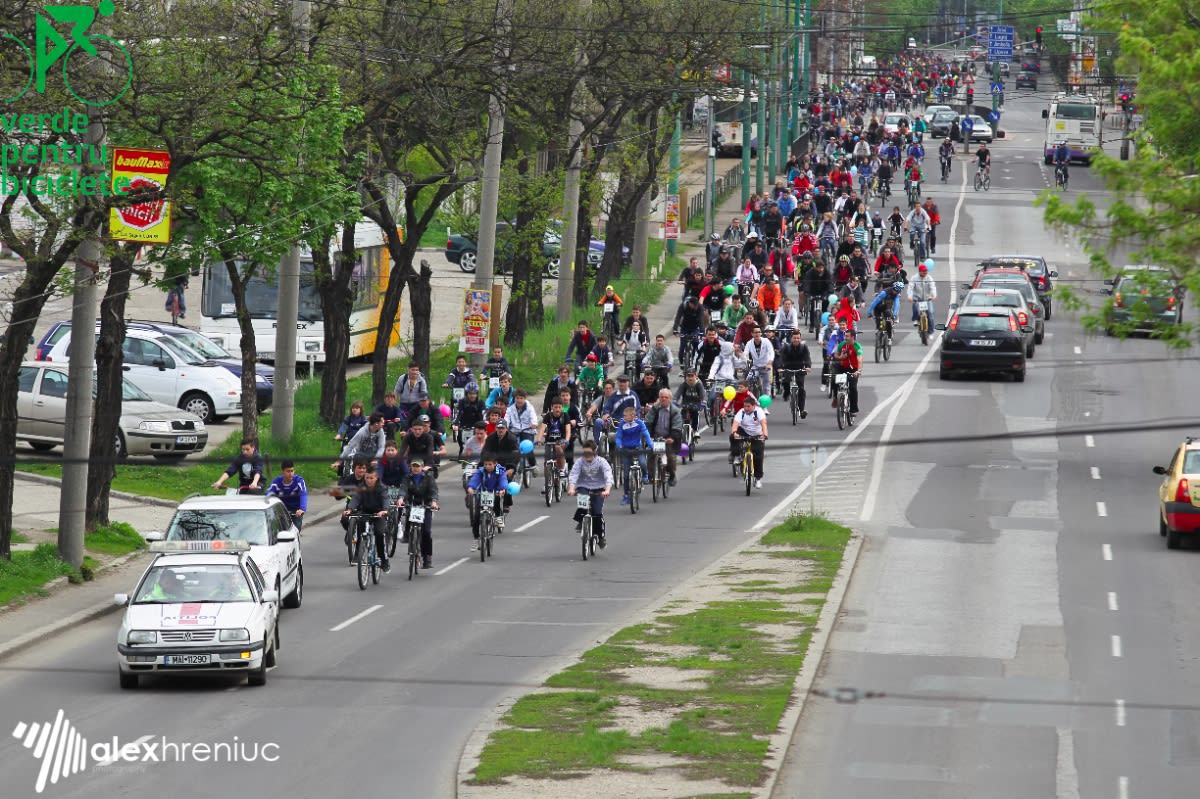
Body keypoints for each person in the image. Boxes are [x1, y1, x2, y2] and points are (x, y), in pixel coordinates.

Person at [343, 467, 391, 570]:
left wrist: (385, 510)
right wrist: (350, 509)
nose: (369, 480)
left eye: (371, 478)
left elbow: (385, 499)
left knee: (379, 533)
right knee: (361, 529)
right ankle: (359, 553)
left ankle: (384, 560)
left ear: (376, 478)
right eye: (367, 478)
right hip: (365, 512)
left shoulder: (382, 488)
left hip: (379, 514)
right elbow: (356, 498)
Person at [568, 441, 613, 547]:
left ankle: (601, 538)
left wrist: (607, 490)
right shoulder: (579, 462)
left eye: (589, 453)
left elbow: (608, 477)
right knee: (582, 505)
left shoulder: (602, 462)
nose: (587, 455)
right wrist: (571, 489)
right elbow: (573, 475)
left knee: (597, 513)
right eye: (585, 453)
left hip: (599, 488)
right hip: (584, 486)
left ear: (594, 452)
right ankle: (581, 520)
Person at [397, 457, 440, 570]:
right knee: (409, 520)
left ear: (422, 467)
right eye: (413, 466)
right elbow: (403, 489)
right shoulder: (407, 478)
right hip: (412, 504)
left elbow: (433, 490)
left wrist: (434, 502)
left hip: (426, 505)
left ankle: (427, 557)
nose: (415, 468)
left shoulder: (428, 478)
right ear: (410, 467)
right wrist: (401, 498)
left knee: (426, 531)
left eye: (418, 466)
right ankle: (409, 539)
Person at [466, 454, 511, 547]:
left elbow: (503, 480)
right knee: (476, 518)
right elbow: (475, 479)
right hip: (482, 494)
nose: (487, 466)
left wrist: (502, 489)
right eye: (486, 464)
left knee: (497, 500)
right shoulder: (481, 471)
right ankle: (476, 539)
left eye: (490, 464)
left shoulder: (500, 471)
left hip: (495, 492)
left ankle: (498, 517)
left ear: (495, 464)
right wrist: (471, 487)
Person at [614, 404, 653, 505]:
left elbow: (646, 434)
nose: (623, 417)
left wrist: (651, 445)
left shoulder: (640, 423)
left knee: (643, 463)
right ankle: (626, 495)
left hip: (637, 447)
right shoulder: (622, 424)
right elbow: (618, 437)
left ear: (632, 415)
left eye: (625, 416)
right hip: (626, 449)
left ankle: (645, 475)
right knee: (626, 475)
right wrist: (619, 445)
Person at [644, 389, 683, 487]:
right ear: (659, 398)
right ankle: (652, 476)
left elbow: (677, 427)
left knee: (671, 457)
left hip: (669, 438)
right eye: (662, 397)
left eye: (666, 397)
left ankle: (672, 475)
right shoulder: (655, 409)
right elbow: (648, 423)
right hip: (656, 437)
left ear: (670, 399)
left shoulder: (675, 411)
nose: (664, 399)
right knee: (651, 456)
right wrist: (648, 436)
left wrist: (672, 438)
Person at [729, 396, 768, 489]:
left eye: (748, 406)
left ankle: (758, 479)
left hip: (756, 434)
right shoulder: (741, 412)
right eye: (745, 406)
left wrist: (765, 434)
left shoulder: (759, 412)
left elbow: (763, 423)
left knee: (758, 456)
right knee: (732, 437)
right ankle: (737, 455)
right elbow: (735, 423)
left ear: (753, 406)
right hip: (743, 431)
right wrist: (734, 432)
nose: (746, 408)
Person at [777, 330, 811, 416]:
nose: (796, 340)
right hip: (788, 368)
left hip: (800, 369)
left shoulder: (804, 347)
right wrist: (780, 367)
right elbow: (782, 358)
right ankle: (787, 393)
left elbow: (807, 358)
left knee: (801, 389)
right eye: (794, 338)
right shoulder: (786, 347)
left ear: (800, 339)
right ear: (791, 339)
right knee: (785, 381)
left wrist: (807, 367)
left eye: (798, 338)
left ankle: (802, 410)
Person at [266, 460, 308, 529]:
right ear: (282, 472)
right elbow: (269, 493)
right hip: (282, 510)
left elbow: (303, 494)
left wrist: (302, 508)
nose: (291, 473)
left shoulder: (299, 481)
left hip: (296, 511)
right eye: (288, 471)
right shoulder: (277, 482)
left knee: (295, 531)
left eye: (292, 471)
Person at [832, 329, 863, 416]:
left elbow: (860, 360)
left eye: (847, 336)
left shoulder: (857, 346)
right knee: (834, 380)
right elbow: (836, 355)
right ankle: (836, 397)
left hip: (853, 370)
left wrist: (858, 371)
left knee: (853, 388)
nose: (845, 338)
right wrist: (840, 357)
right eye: (845, 336)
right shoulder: (842, 344)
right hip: (842, 368)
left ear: (852, 337)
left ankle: (853, 409)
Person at [451, 382, 485, 455]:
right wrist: (456, 424)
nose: (472, 395)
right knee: (459, 436)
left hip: (477, 424)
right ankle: (462, 450)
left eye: (474, 393)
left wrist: (483, 425)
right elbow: (458, 413)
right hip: (464, 424)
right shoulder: (462, 402)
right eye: (470, 393)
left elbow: (483, 415)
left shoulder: (481, 402)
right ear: (467, 393)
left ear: (477, 394)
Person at [744, 326, 775, 396]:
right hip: (755, 367)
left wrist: (769, 363)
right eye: (755, 332)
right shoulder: (749, 343)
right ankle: (751, 398)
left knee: (766, 387)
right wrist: (744, 362)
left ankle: (765, 404)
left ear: (761, 333)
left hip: (766, 367)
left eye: (759, 332)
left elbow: (771, 352)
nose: (757, 334)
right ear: (752, 334)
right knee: (748, 381)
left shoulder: (766, 341)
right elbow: (745, 354)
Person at [674, 369, 707, 434]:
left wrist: (703, 401)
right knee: (682, 417)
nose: (690, 378)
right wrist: (674, 400)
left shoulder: (699, 384)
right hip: (686, 403)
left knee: (695, 415)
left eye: (692, 376)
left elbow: (703, 394)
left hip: (696, 404)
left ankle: (695, 431)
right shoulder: (684, 385)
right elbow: (678, 393)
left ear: (696, 376)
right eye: (688, 376)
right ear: (686, 377)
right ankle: (682, 431)